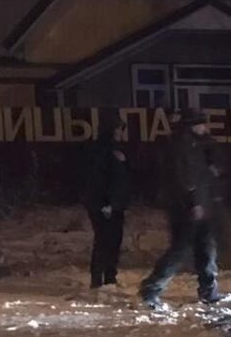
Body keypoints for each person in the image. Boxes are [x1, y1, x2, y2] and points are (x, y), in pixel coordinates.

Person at [139, 106, 222, 309]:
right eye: (201, 123)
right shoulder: (182, 146)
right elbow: (186, 177)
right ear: (192, 125)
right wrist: (195, 202)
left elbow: (201, 174)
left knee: (206, 249)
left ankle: (209, 291)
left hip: (199, 205)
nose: (205, 127)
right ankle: (152, 288)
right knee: (180, 250)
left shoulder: (195, 144)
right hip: (188, 207)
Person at [81, 111, 131, 289]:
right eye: (118, 128)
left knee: (113, 240)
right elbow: (99, 179)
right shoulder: (101, 150)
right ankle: (98, 279)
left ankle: (110, 276)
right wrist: (105, 203)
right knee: (104, 241)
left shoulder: (115, 149)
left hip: (114, 204)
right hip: (103, 204)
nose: (120, 132)